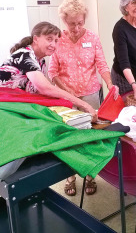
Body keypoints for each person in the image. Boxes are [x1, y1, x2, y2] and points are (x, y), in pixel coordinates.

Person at [0, 21, 97, 180]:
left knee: (61, 106)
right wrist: (82, 104)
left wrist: (66, 100)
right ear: (36, 39)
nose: (53, 44)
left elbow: (40, 92)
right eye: (49, 39)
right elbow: (45, 89)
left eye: (56, 40)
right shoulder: (25, 55)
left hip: (18, 105)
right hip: (5, 106)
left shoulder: (41, 62)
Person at [48, 0, 119, 197]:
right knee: (70, 137)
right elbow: (52, 72)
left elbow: (102, 65)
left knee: (89, 136)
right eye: (72, 23)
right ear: (64, 21)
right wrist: (66, 91)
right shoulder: (58, 40)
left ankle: (89, 175)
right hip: (66, 97)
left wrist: (110, 83)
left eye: (80, 23)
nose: (76, 27)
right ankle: (70, 176)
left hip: (90, 95)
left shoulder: (92, 38)